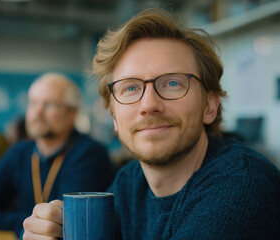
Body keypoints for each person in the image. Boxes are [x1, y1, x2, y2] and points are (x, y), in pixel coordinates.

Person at [22, 9, 280, 240]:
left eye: (172, 83)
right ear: (113, 116)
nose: (148, 104)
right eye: (131, 87)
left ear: (209, 106)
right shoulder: (130, 183)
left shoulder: (242, 185)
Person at [0, 73, 115, 237]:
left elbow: (69, 223)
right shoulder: (20, 152)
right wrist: (26, 224)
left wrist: (26, 225)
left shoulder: (89, 153)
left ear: (72, 114)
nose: (38, 112)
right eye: (33, 103)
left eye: (50, 105)